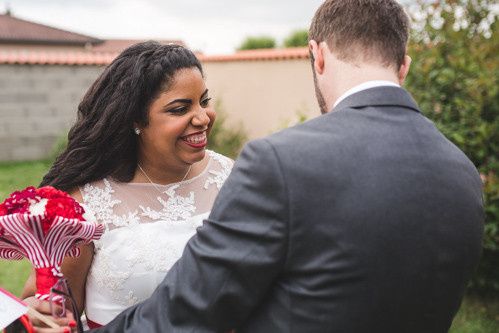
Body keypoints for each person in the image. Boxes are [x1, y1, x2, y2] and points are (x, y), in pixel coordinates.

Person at [20, 41, 233, 330]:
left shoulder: (230, 176)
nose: (203, 117)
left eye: (204, 101)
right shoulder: (86, 204)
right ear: (136, 120)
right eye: (180, 108)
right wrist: (40, 313)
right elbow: (53, 307)